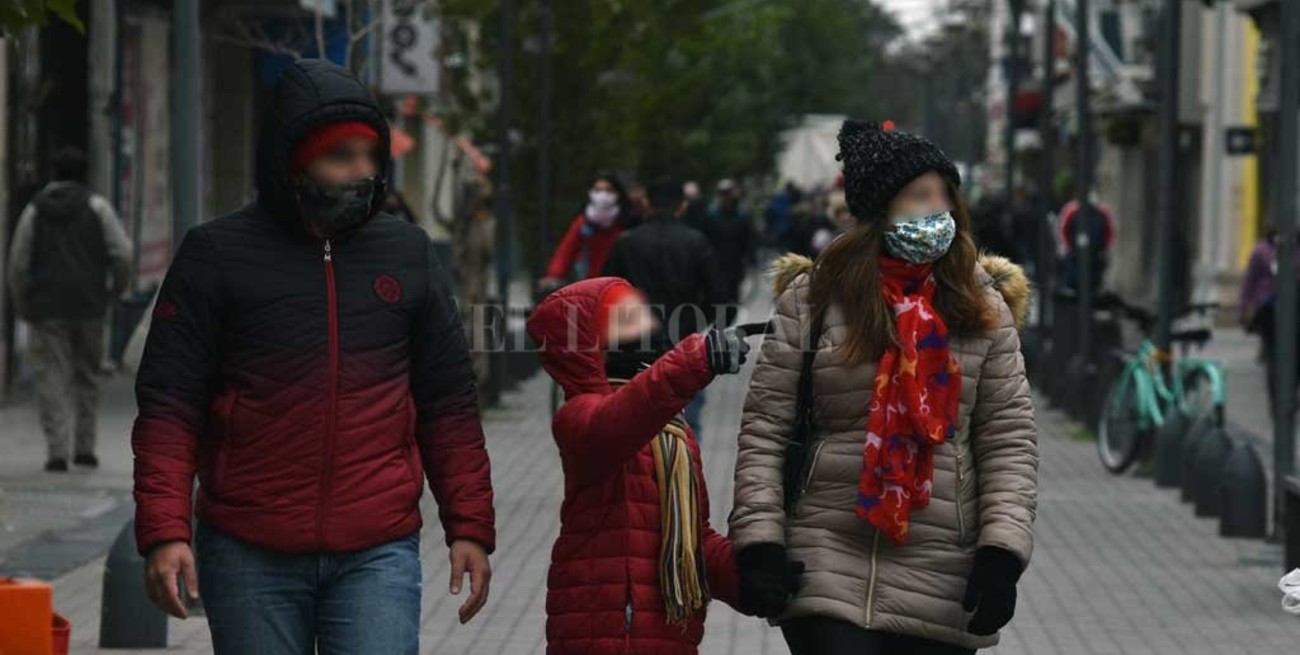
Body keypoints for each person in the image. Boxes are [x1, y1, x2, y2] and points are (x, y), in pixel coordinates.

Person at [131, 59, 495, 655]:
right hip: (249, 549)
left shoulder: (407, 253)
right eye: (341, 157)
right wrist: (165, 530)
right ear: (293, 162)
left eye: (370, 155)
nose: (362, 172)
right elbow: (170, 409)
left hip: (377, 548)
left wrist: (471, 526)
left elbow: (448, 404)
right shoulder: (216, 255)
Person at [729, 120, 1038, 654]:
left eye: (944, 196)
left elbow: (1008, 439)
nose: (936, 209)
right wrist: (759, 543)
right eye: (921, 195)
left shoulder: (982, 306)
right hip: (826, 557)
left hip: (942, 567)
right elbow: (765, 428)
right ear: (881, 210)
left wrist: (1002, 554)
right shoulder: (816, 296)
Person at [525, 276, 769, 654]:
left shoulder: (673, 428)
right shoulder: (578, 418)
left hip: (668, 633)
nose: (647, 327)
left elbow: (694, 536)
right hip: (603, 630)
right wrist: (695, 360)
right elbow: (617, 422)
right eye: (625, 318)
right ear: (590, 345)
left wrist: (748, 579)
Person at [7, 146, 132, 472]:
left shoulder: (35, 211)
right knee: (88, 376)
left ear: (54, 174)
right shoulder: (98, 207)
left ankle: (58, 451)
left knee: (53, 377)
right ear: (84, 174)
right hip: (90, 304)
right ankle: (85, 448)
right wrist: (114, 289)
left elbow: (18, 263)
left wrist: (23, 303)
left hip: (48, 307)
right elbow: (122, 252)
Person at [603, 178, 724, 432]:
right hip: (681, 345)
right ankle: (682, 468)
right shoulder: (697, 243)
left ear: (646, 203)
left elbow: (604, 294)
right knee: (685, 424)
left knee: (630, 423)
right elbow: (717, 297)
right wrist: (698, 324)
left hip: (630, 349)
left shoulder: (625, 243)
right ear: (682, 206)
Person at [539, 173, 632, 293]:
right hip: (592, 281)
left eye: (608, 190)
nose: (602, 195)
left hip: (621, 283)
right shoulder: (584, 221)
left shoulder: (626, 220)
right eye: (598, 190)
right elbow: (567, 250)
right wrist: (555, 274)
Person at [702, 179, 757, 317]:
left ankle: (728, 326)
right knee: (718, 300)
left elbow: (749, 239)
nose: (727, 196)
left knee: (732, 300)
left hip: (735, 264)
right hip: (716, 264)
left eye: (728, 193)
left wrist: (750, 260)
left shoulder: (742, 216)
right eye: (723, 193)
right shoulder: (711, 215)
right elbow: (705, 239)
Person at [1057, 193, 1116, 293]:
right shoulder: (1071, 210)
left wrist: (1104, 248)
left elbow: (1109, 232)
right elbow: (1064, 230)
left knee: (1094, 280)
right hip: (1075, 253)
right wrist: (1068, 247)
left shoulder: (1102, 213)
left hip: (1095, 252)